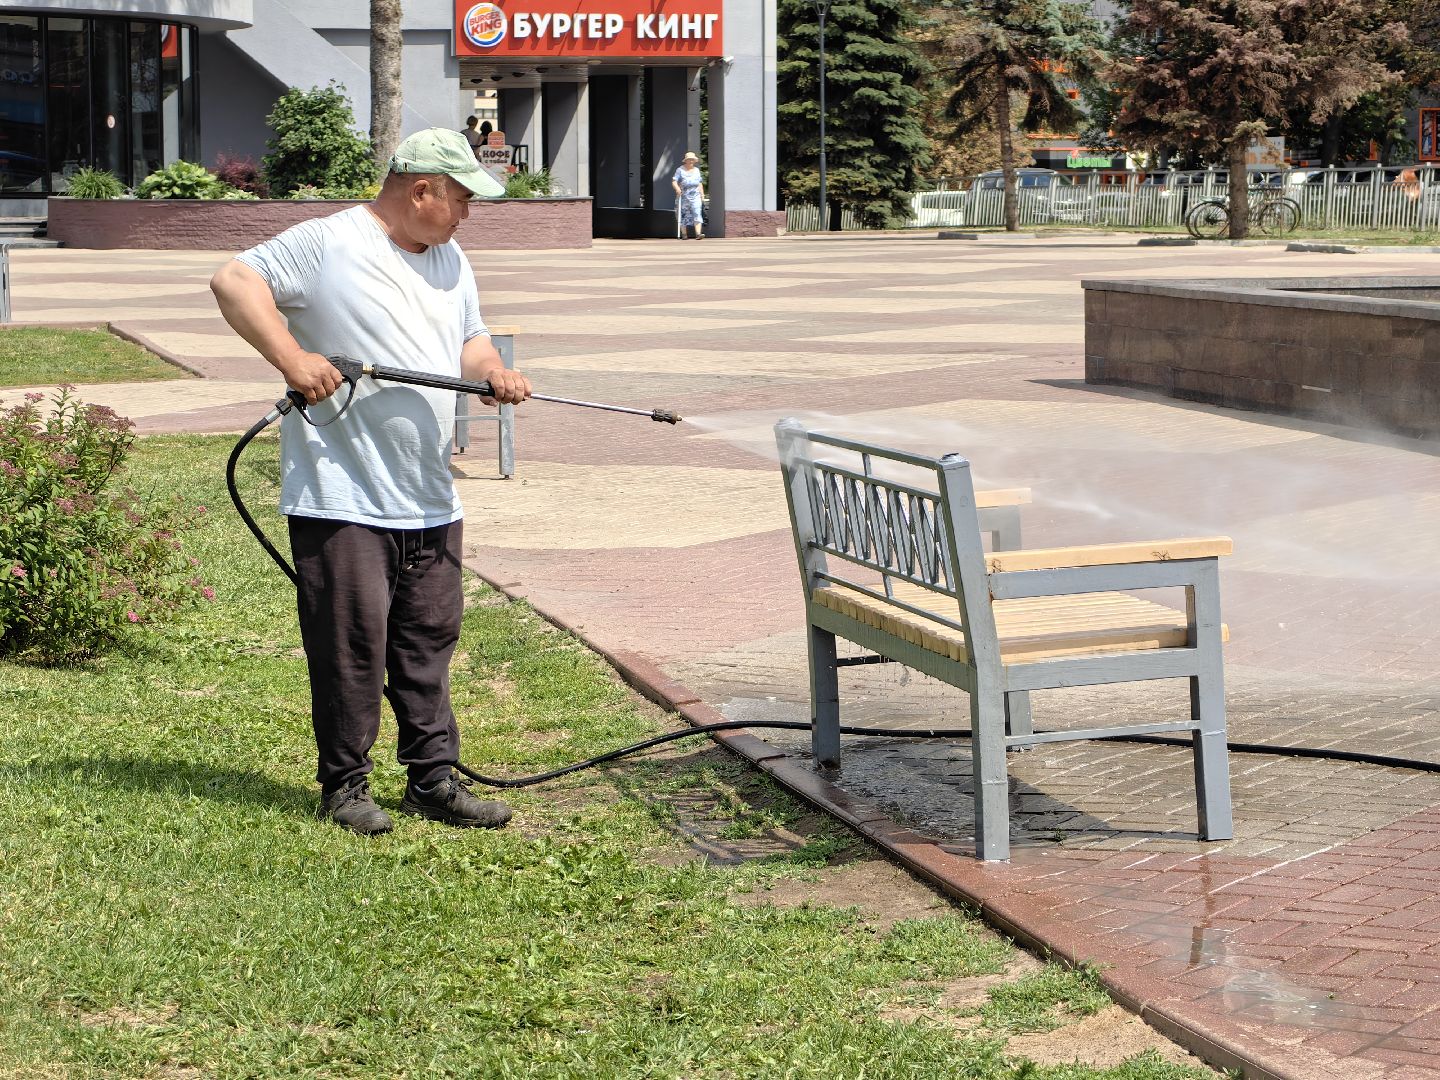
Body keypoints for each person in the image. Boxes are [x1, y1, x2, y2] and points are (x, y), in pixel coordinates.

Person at [209, 128, 531, 837]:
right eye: (461, 199)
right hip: (342, 494)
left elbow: (469, 340)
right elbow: (234, 281)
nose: (467, 214)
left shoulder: (450, 259)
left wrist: (491, 373)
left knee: (428, 641)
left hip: (429, 496)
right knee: (352, 647)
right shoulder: (329, 243)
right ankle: (346, 788)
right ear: (422, 190)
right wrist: (293, 358)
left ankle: (433, 780)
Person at [672, 151, 706, 239]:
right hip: (684, 196)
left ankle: (698, 234)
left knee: (697, 212)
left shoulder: (697, 170)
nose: (691, 161)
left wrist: (702, 195)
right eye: (689, 160)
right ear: (685, 161)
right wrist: (677, 189)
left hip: (695, 196)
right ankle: (684, 234)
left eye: (692, 160)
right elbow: (674, 181)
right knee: (682, 214)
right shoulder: (680, 170)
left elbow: (699, 183)